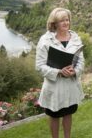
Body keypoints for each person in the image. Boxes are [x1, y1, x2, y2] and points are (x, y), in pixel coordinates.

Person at [36, 7, 84, 138]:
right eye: (62, 20)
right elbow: (39, 66)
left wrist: (75, 71)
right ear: (54, 23)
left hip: (71, 85)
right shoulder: (45, 40)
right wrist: (58, 72)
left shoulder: (75, 38)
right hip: (54, 87)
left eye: (67, 20)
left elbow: (81, 61)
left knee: (68, 113)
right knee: (55, 115)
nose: (65, 23)